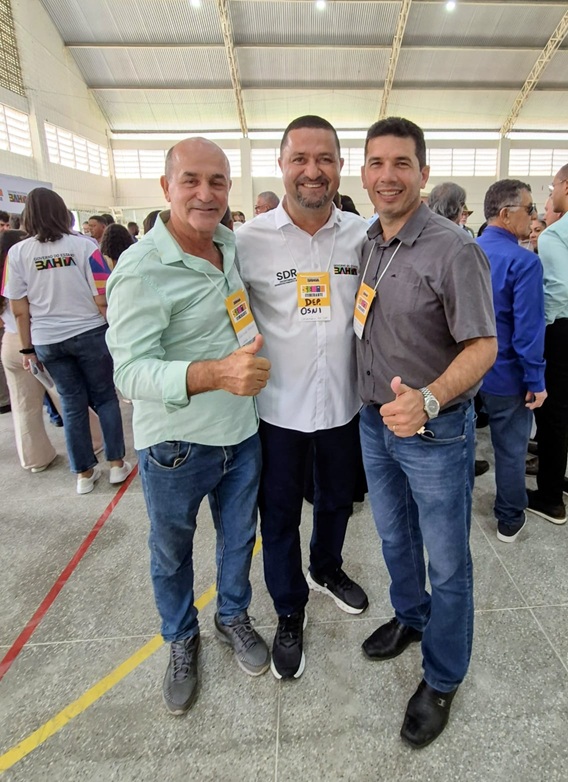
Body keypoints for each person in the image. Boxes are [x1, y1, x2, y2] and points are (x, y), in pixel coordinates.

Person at [106, 137, 271, 716]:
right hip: (176, 445)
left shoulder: (228, 243)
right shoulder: (141, 268)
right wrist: (216, 372)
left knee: (238, 538)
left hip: (241, 433)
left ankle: (232, 616)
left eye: (217, 181)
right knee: (172, 550)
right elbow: (129, 371)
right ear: (166, 187)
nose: (206, 193)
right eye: (191, 180)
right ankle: (180, 637)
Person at [357, 117, 497, 748]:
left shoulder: (453, 248)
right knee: (394, 538)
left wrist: (431, 399)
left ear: (423, 173)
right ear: (364, 172)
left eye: (401, 164)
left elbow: (484, 345)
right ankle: (411, 617)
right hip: (375, 423)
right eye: (377, 163)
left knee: (448, 561)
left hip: (435, 432)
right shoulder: (371, 241)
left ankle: (442, 676)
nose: (387, 176)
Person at [236, 115, 369, 682]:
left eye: (324, 159)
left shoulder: (363, 236)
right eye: (300, 159)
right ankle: (290, 608)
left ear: (339, 166)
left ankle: (326, 567)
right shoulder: (248, 242)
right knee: (280, 514)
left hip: (344, 404)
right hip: (278, 410)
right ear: (282, 165)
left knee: (337, 499)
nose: (312, 171)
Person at [2, 188, 130, 494]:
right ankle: (116, 464)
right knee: (105, 398)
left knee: (71, 405)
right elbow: (102, 295)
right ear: (63, 213)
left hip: (48, 340)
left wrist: (27, 348)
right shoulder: (85, 246)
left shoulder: (17, 254)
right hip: (90, 333)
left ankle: (84, 474)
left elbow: (19, 309)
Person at [477, 180, 546, 542]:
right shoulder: (524, 262)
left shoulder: (466, 250)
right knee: (510, 449)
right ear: (506, 214)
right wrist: (536, 380)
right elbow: (528, 331)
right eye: (530, 209)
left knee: (460, 445)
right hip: (506, 373)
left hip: (463, 374)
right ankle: (509, 517)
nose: (533, 217)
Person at [428, 181, 492, 478]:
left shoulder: (462, 247)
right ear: (460, 210)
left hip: (442, 399)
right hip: (441, 389)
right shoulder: (462, 243)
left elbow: (482, 344)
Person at [528, 165, 568, 524]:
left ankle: (550, 497)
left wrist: (540, 329)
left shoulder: (555, 234)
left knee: (552, 413)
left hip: (560, 329)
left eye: (552, 186)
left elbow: (558, 289)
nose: (551, 193)